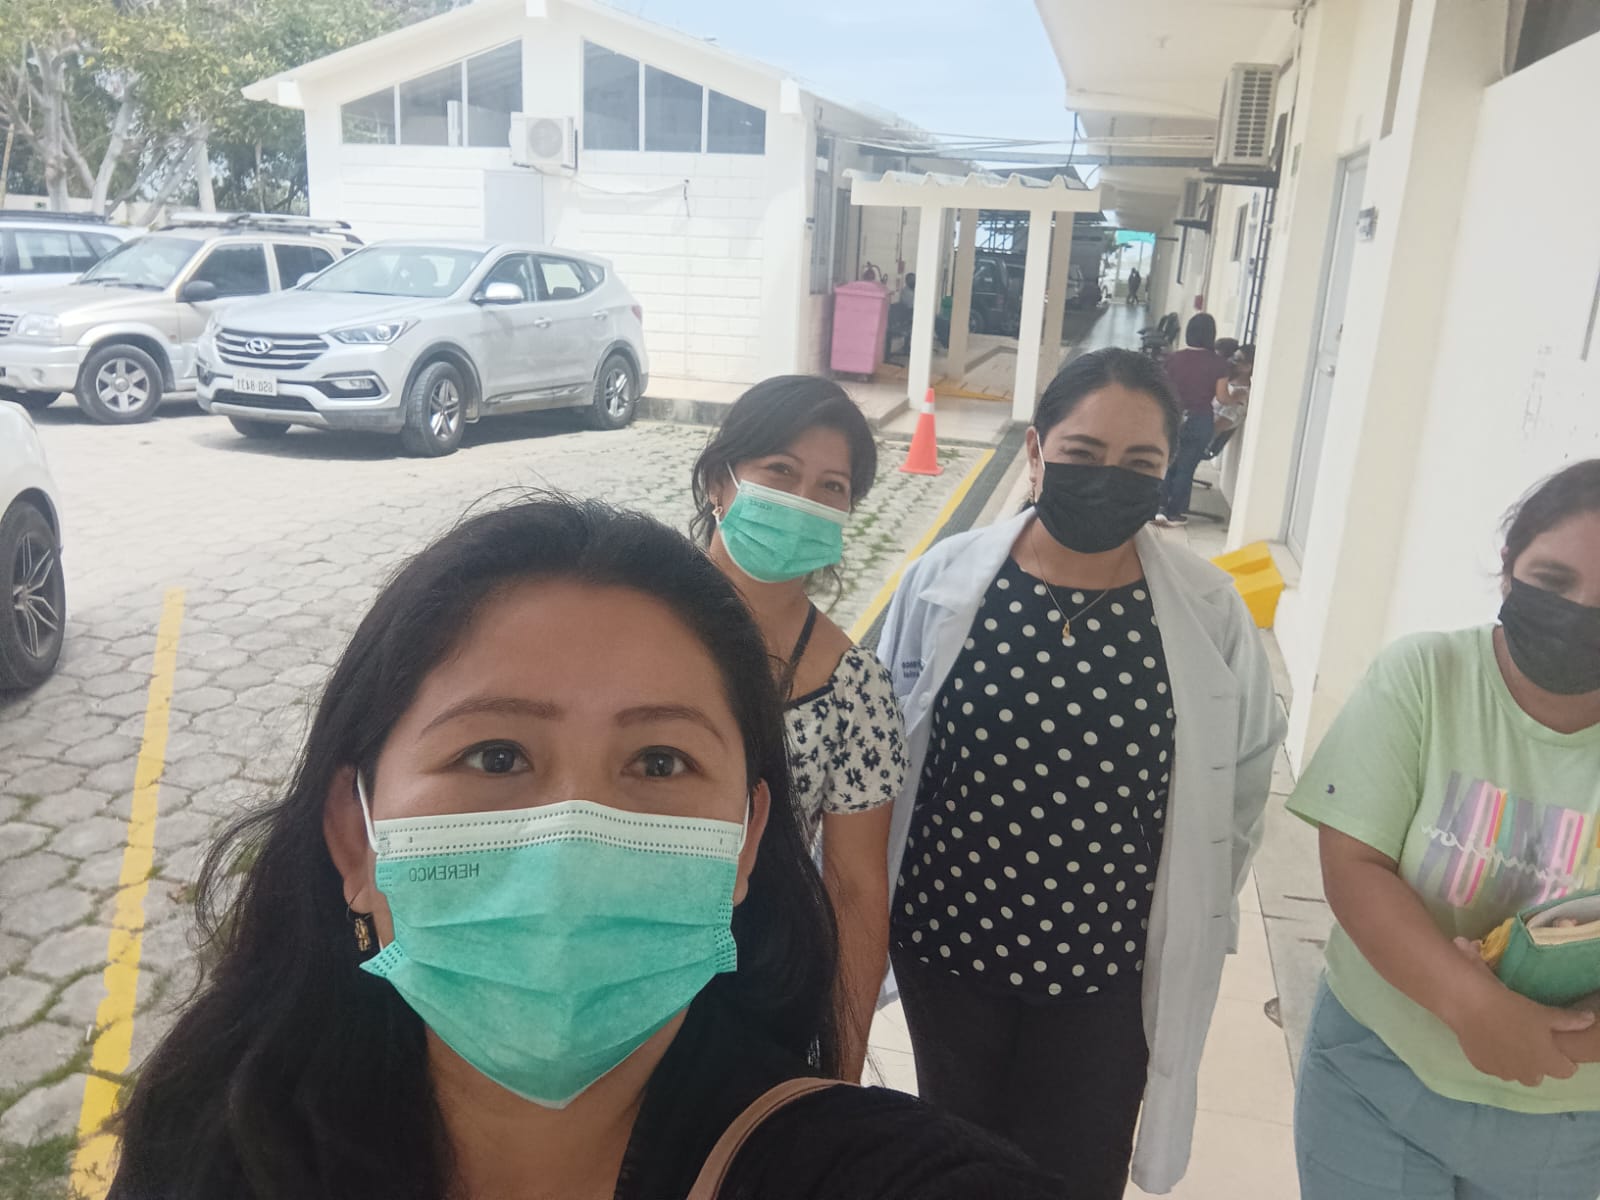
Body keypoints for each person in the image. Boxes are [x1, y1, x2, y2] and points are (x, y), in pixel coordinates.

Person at [106, 496, 1067, 1200]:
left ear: (744, 846)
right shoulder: (214, 1137)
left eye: (659, 761)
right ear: (355, 834)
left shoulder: (868, 1173)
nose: (573, 833)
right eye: (496, 755)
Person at [875, 347, 1287, 1197]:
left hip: (1107, 969)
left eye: (1139, 463)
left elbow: (1242, 782)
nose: (1108, 479)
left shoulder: (1209, 613)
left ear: (1167, 471)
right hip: (946, 949)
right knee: (953, 1162)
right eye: (1084, 453)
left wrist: (1203, 896)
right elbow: (887, 746)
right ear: (1036, 451)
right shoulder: (944, 583)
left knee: (1076, 1170)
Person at [1288, 459, 1600, 1200]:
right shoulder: (1425, 677)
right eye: (1553, 580)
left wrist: (1572, 1039)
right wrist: (1473, 1005)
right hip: (1377, 1076)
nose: (1580, 612)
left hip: (1570, 1126)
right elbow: (1354, 864)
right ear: (1509, 568)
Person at [690, 376, 906, 1083]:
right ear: (720, 482)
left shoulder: (856, 690)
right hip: (606, 966)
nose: (802, 500)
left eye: (831, 487)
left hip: (762, 994)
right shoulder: (626, 627)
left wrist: (840, 1071)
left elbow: (855, 891)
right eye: (780, 471)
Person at [1154, 313, 1232, 527]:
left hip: (1173, 417)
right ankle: (1175, 513)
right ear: (1211, 334)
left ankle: (1159, 508)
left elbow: (1161, 388)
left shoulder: (1172, 359)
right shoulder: (1219, 364)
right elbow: (1222, 397)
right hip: (1200, 419)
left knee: (1168, 462)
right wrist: (1239, 398)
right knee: (1186, 467)